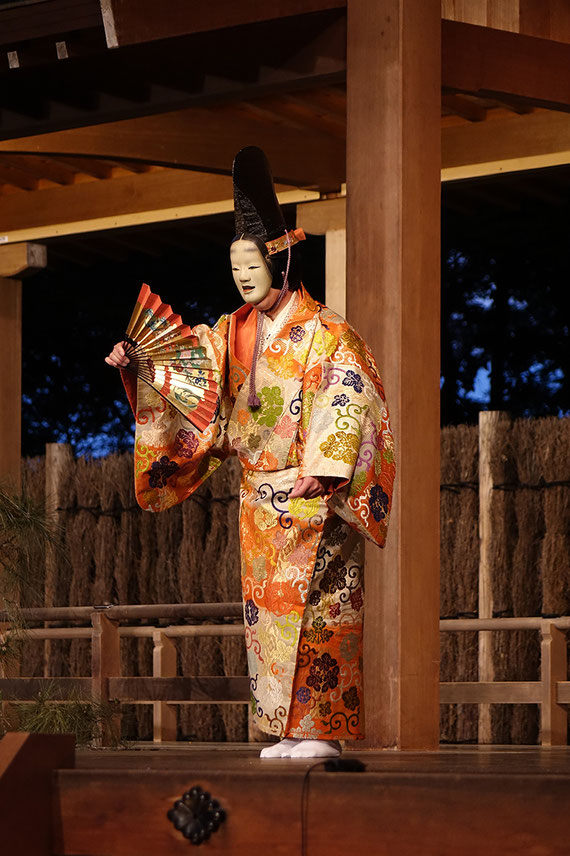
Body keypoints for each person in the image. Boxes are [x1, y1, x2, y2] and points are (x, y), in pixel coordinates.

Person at [106, 147, 395, 758]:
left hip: (311, 496)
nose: (241, 276)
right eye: (234, 264)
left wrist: (325, 467)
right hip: (259, 503)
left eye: (251, 262)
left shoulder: (328, 333)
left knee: (318, 612)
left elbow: (351, 388)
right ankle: (289, 729)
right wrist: (141, 365)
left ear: (280, 257)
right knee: (268, 620)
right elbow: (192, 384)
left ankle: (323, 731)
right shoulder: (230, 331)